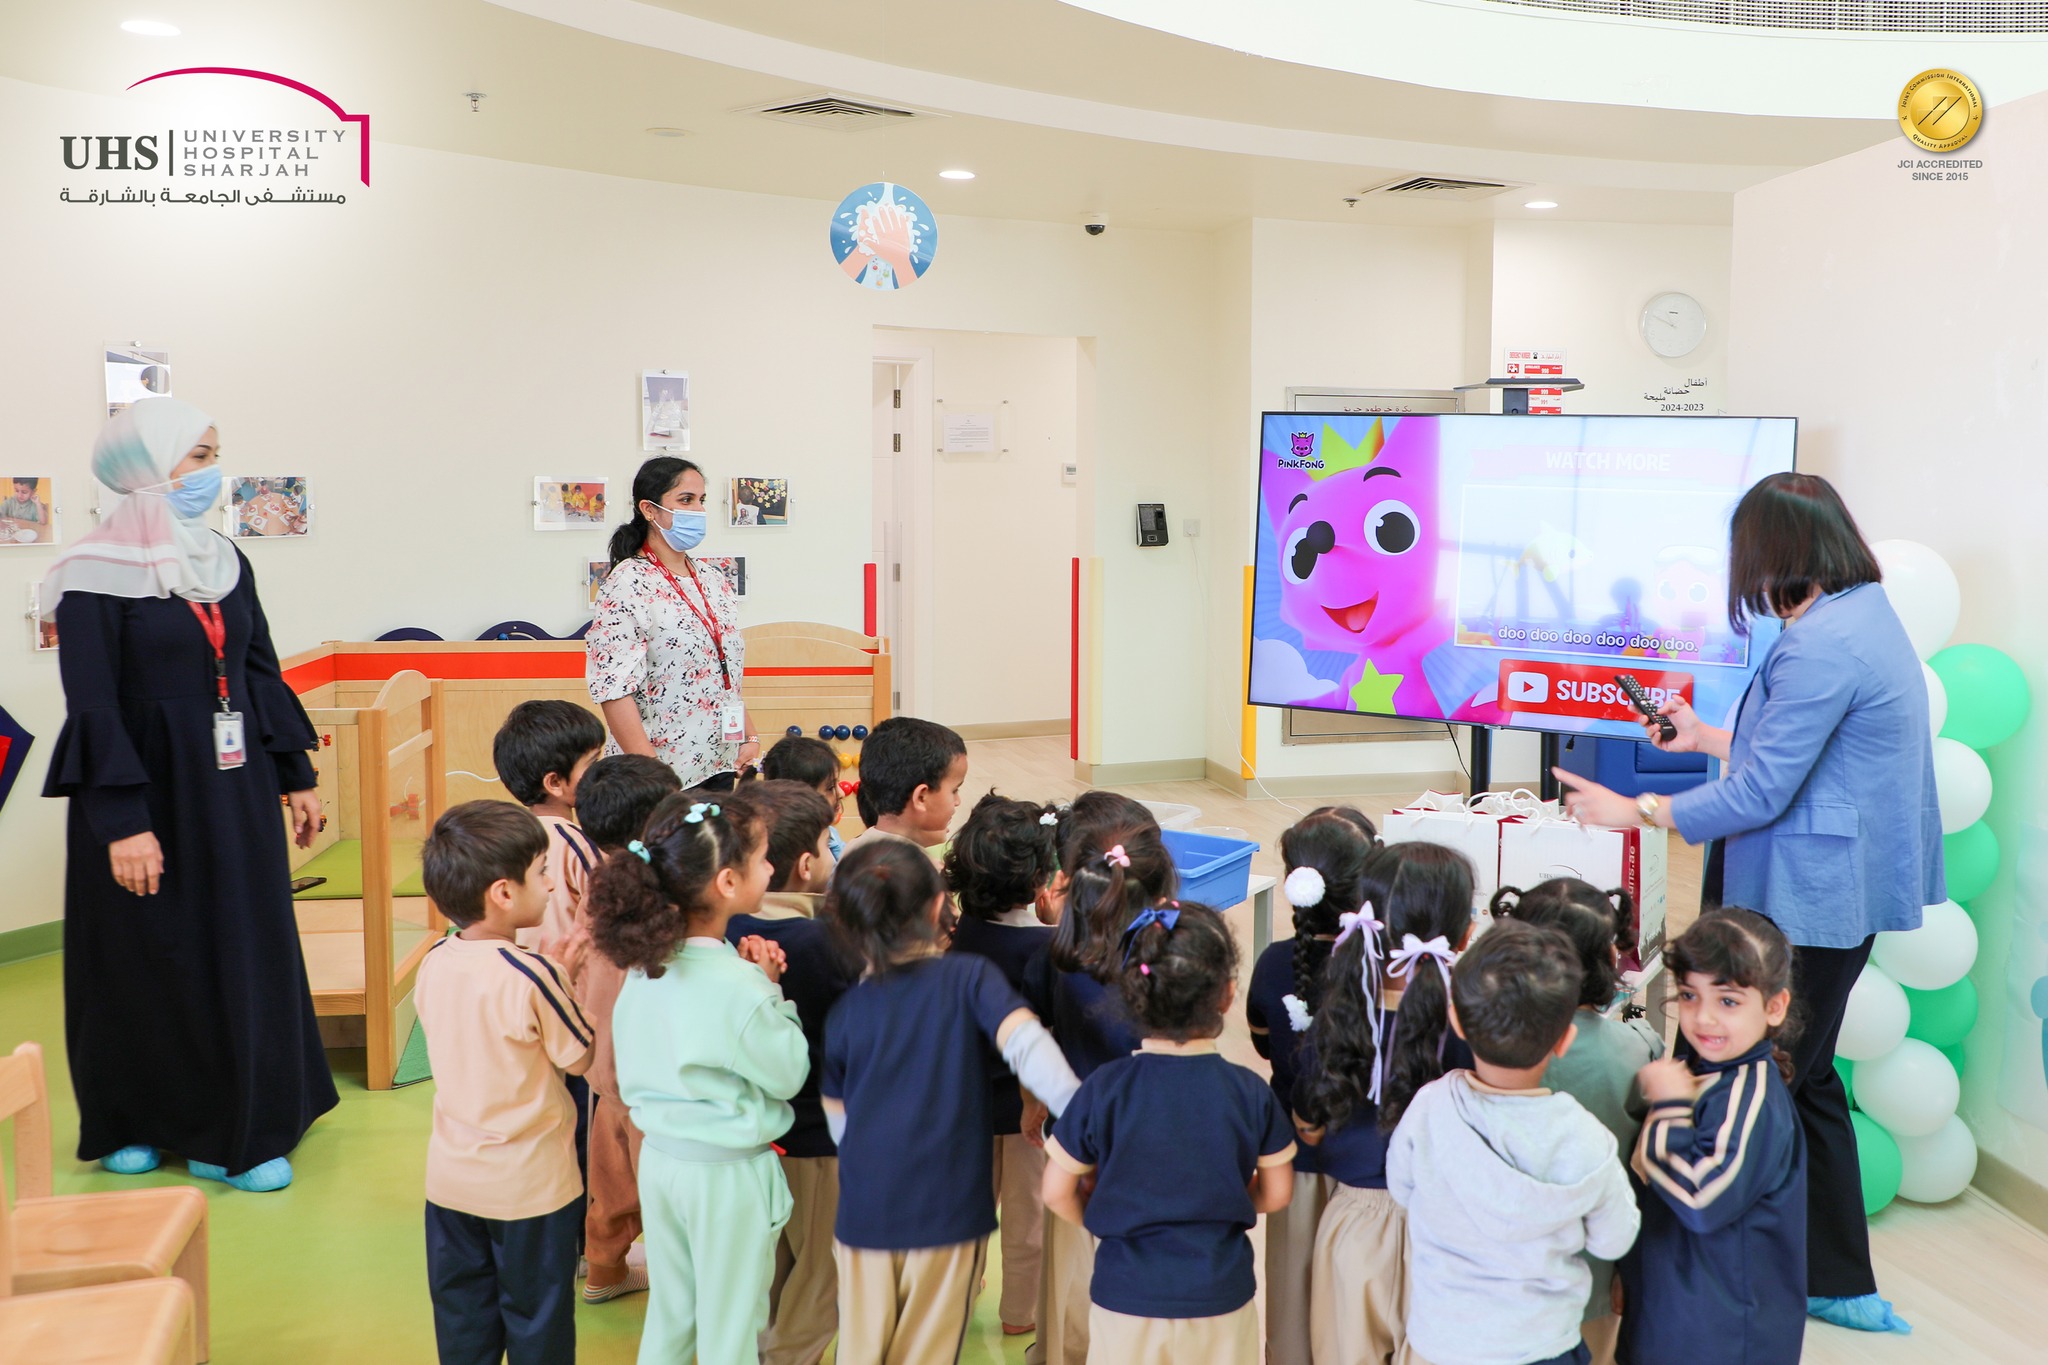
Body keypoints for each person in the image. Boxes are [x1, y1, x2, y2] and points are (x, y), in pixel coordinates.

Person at [1554, 472, 1938, 1333]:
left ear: (1776, 550)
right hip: (1830, 879)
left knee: (1779, 1079)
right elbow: (1802, 751)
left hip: (1814, 889)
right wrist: (1703, 736)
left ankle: (1769, 1266)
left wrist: (1640, 810)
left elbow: (1766, 788)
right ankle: (1835, 1274)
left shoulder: (1824, 642)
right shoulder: (1856, 614)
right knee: (1807, 1078)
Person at [38, 397, 334, 1192]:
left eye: (213, 453)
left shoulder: (227, 560)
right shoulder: (89, 575)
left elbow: (258, 669)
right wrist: (123, 823)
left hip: (232, 788)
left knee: (236, 945)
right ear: (144, 467)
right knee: (140, 958)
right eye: (197, 455)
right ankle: (132, 1117)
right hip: (142, 790)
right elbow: (92, 705)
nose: (212, 472)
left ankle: (234, 1125)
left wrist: (297, 774)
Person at [820, 839, 1081, 1365]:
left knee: (862, 1345)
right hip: (948, 1211)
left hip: (865, 1210)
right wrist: (1082, 1117)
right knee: (928, 1348)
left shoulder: (847, 1012)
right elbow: (1028, 1046)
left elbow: (838, 1116)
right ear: (940, 908)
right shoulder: (968, 978)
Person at [587, 791, 808, 1365]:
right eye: (763, 858)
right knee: (732, 1328)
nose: (771, 866)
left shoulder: (646, 966)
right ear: (728, 883)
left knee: (672, 1315)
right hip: (726, 1177)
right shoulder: (740, 987)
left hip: (661, 1162)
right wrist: (771, 991)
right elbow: (788, 1073)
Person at [1043, 902, 1296, 1365]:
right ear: (1228, 994)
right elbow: (1278, 1193)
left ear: (1132, 995)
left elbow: (1056, 1190)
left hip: (1125, 1298)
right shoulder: (1249, 1092)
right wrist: (1232, 1201)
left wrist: (1102, 1219)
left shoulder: (1104, 1089)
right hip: (1220, 1296)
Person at [1389, 919, 1641, 1365]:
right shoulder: (1587, 1140)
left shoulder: (1429, 1107)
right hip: (1543, 1342)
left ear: (1457, 1021)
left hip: (1444, 1339)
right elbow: (1613, 1241)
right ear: (1565, 1039)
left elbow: (1402, 1189)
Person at [415, 801, 594, 1365]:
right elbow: (581, 1057)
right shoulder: (532, 973)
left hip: (450, 1183)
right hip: (531, 1188)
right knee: (538, 1320)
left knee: (464, 1321)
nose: (547, 883)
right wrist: (566, 976)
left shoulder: (434, 960)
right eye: (541, 872)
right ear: (503, 893)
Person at [1291, 841, 1475, 1365]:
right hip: (1446, 1226)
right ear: (1464, 934)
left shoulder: (1340, 1009)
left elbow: (1308, 1123)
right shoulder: (1472, 1019)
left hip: (1353, 1221)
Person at [1021, 792, 1177, 1365]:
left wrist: (1032, 1103)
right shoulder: (1169, 958)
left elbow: (1038, 1036)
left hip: (1078, 1133)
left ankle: (1065, 1351)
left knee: (1072, 1269)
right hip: (1148, 1141)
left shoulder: (1058, 954)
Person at [1621, 909, 1806, 1365]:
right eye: (1688, 995)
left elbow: (1702, 1199)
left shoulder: (1751, 1096)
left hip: (1721, 1330)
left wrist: (1668, 1105)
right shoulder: (1708, 1074)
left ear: (1774, 1006)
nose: (1703, 1018)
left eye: (1727, 1001)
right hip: (1678, 1306)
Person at [1493, 880, 1663, 1364]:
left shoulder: (1492, 1044)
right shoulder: (1636, 1049)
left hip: (1503, 1261)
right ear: (1609, 955)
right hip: (1596, 1261)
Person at [722, 780, 858, 1365]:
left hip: (751, 1137)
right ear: (806, 865)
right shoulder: (830, 942)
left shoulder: (720, 933)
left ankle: (762, 1347)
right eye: (830, 845)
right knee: (824, 1274)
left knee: (770, 1261)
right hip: (820, 1139)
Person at [1245, 805, 1376, 1365]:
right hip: (1369, 1166)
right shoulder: (1387, 966)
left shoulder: (1274, 964)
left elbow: (1262, 1043)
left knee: (1291, 1305)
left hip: (1290, 1161)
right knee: (1357, 1315)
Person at [563, 753, 683, 1305]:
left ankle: (605, 1272)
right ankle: (678, 1283)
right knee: (659, 1185)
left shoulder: (597, 889)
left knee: (609, 1189)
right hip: (653, 1082)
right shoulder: (659, 899)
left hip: (603, 1072)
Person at [943, 792, 1062, 1341]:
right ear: (1042, 877)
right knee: (1026, 1219)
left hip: (965, 1102)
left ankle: (955, 1304)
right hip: (1026, 1110)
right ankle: (1020, 1313)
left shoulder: (961, 933)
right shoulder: (1048, 947)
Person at [587, 456, 760, 789]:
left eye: (701, 500)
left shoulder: (711, 579)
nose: (697, 510)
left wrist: (746, 735)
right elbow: (613, 689)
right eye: (685, 500)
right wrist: (653, 776)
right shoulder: (627, 584)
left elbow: (723, 675)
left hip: (719, 766)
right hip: (657, 776)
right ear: (650, 510)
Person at [493, 699, 605, 954]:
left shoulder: (508, 836)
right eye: (592, 764)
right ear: (554, 782)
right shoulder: (576, 842)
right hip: (570, 978)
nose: (601, 772)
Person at [845, 715, 967, 855]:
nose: (958, 801)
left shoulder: (854, 848)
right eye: (954, 790)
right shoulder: (915, 869)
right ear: (921, 797)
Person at [759, 734, 846, 861]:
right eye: (830, 787)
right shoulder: (790, 851)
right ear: (800, 797)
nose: (842, 793)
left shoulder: (830, 833)